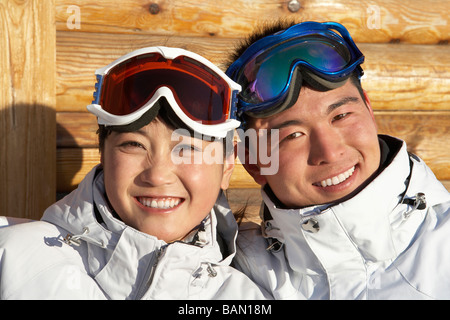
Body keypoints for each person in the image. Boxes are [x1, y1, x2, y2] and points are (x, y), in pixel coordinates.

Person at [0, 46, 270, 300]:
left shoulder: (244, 297)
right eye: (134, 145)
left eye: (187, 148)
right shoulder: (12, 259)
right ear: (103, 154)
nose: (157, 175)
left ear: (227, 166)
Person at [225, 20, 450, 299]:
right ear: (254, 162)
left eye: (341, 116)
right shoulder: (234, 281)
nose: (329, 153)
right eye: (293, 135)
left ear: (368, 108)